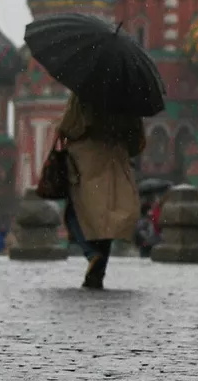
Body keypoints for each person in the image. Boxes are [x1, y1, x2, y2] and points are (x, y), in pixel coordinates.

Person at [56, 93, 145, 290]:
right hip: (115, 157)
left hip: (85, 157)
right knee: (108, 213)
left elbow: (69, 126)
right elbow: (136, 137)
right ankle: (98, 271)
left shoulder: (83, 92)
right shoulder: (126, 96)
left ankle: (91, 253)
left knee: (76, 211)